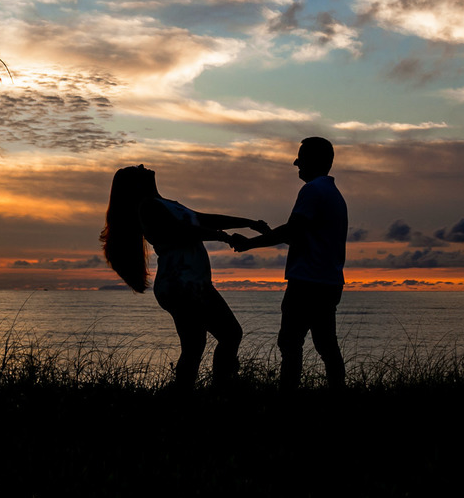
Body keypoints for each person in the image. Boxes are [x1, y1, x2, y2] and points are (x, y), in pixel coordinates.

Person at [101, 165, 269, 390]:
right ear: (136, 184)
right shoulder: (148, 207)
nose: (142, 166)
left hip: (190, 283)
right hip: (181, 284)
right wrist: (222, 237)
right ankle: (219, 390)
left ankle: (192, 393)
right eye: (136, 169)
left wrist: (247, 222)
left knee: (197, 345)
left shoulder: (166, 204)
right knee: (227, 335)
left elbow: (203, 219)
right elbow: (181, 230)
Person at [231, 137, 347, 390]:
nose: (296, 162)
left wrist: (250, 243)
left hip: (307, 281)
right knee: (326, 345)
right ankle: (338, 395)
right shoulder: (333, 194)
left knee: (290, 343)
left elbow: (293, 232)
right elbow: (301, 236)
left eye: (301, 157)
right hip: (328, 281)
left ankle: (288, 401)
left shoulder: (313, 190)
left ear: (315, 160)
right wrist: (270, 235)